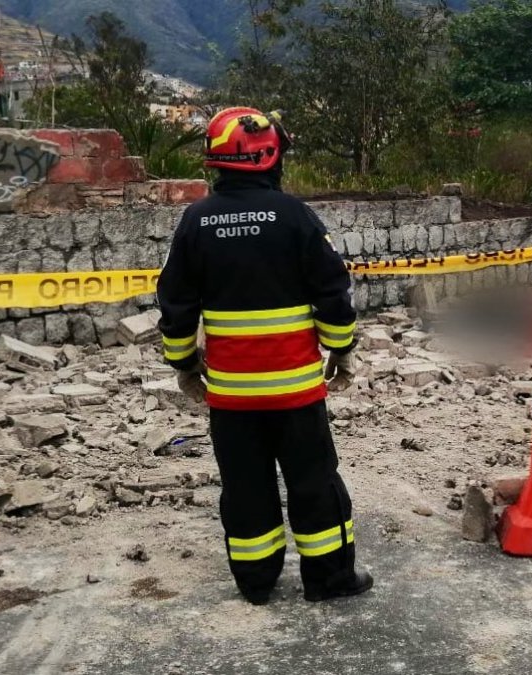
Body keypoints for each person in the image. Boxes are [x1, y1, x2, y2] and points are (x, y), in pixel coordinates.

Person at [156, 107, 372, 604]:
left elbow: (175, 305)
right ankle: (330, 580)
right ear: (269, 155)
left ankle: (256, 584)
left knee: (245, 489)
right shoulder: (295, 216)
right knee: (315, 482)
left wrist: (185, 365)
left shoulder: (195, 221)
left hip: (231, 397)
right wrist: (341, 351)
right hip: (295, 389)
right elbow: (333, 293)